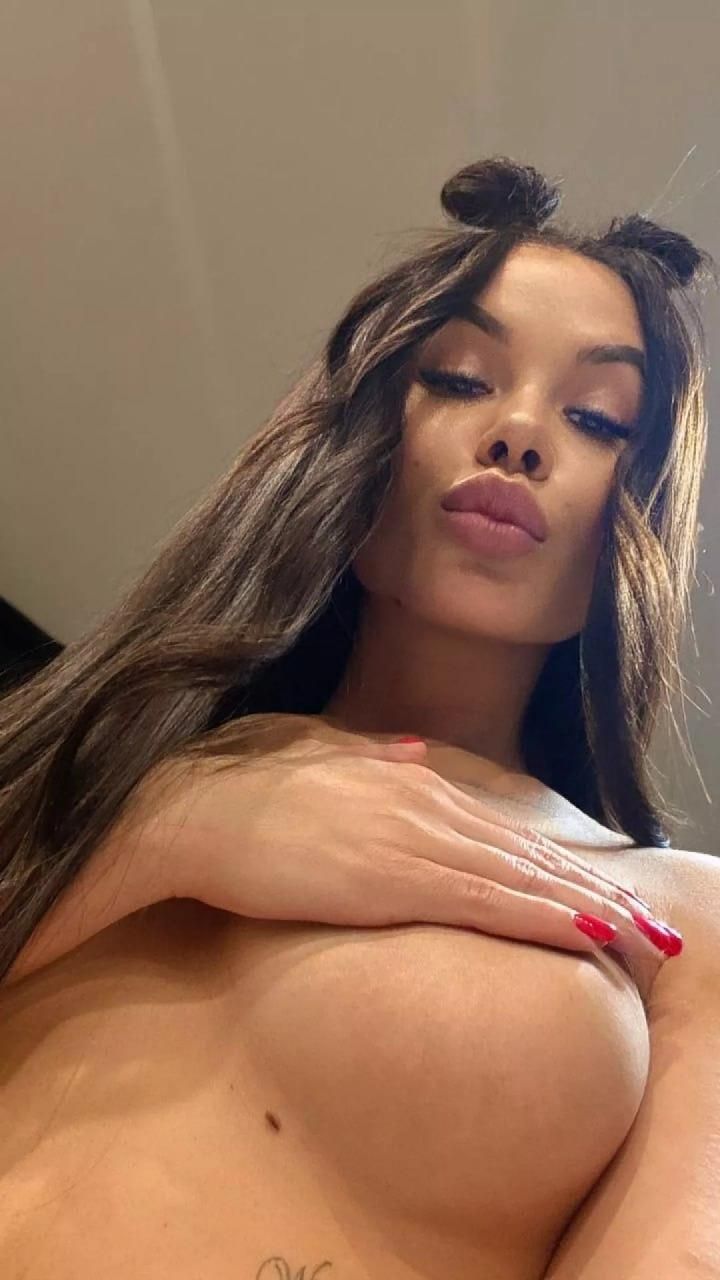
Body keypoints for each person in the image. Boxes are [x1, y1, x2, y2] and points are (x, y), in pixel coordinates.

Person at [0, 157, 718, 1279]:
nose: (519, 433)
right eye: (460, 378)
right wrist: (165, 833)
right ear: (356, 437)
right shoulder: (107, 752)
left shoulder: (684, 925)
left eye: (594, 416)